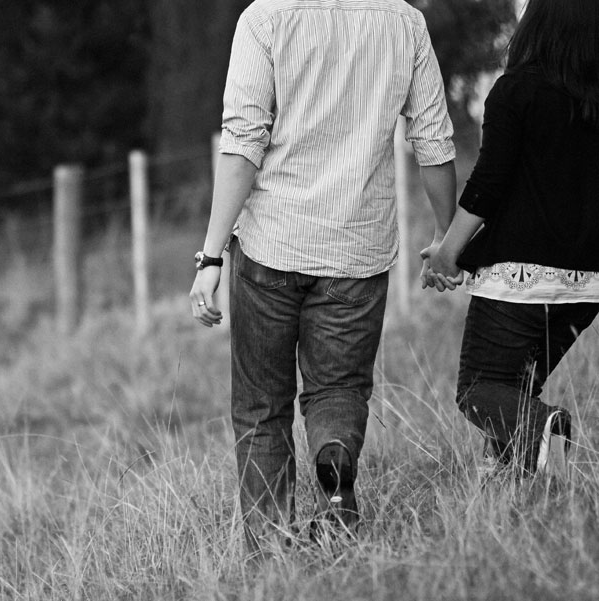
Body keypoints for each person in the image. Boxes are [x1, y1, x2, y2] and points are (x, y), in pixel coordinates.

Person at [189, 0, 457, 553]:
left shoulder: (263, 19)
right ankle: (334, 460)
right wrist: (446, 236)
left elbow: (242, 145)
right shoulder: (403, 20)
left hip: (271, 248)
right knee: (338, 389)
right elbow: (433, 138)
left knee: (262, 407)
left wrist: (211, 256)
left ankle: (269, 548)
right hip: (357, 250)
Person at [424, 0, 599, 476]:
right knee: (514, 394)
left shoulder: (517, 90)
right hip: (586, 286)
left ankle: (548, 428)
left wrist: (448, 252)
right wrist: (462, 253)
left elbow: (489, 185)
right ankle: (521, 496)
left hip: (520, 279)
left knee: (479, 389)